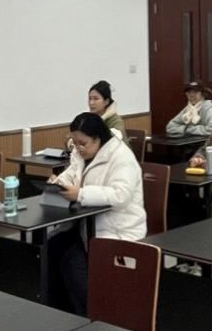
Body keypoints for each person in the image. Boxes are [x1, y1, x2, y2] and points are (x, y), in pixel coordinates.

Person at [48, 112, 145, 315]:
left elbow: (121, 195)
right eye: (75, 143)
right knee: (51, 248)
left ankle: (90, 314)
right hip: (87, 227)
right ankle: (62, 313)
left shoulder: (121, 156)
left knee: (72, 265)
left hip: (117, 229)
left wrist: (81, 194)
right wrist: (58, 183)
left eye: (83, 143)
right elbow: (72, 174)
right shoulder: (81, 154)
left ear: (98, 138)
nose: (78, 148)